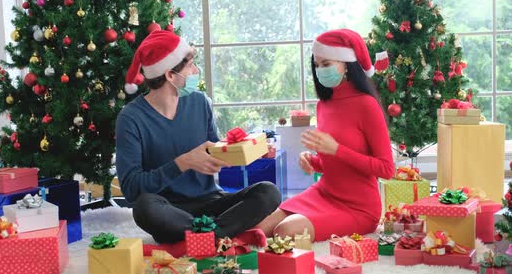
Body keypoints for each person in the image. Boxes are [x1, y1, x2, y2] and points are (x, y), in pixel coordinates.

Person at [116, 30, 281, 247]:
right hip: (169, 211)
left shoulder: (200, 102)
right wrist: (182, 163)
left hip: (211, 202)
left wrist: (247, 148)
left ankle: (207, 236)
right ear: (170, 75)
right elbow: (131, 189)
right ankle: (220, 234)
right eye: (191, 66)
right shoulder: (131, 117)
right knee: (144, 207)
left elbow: (215, 153)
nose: (196, 71)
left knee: (268, 191)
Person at [256, 29, 394, 241]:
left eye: (326, 64)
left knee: (284, 231)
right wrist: (314, 161)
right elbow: (333, 163)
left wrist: (337, 150)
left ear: (346, 64)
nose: (320, 70)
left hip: (359, 208)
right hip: (324, 192)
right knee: (260, 227)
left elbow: (386, 169)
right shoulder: (323, 105)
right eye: (317, 65)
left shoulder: (367, 105)